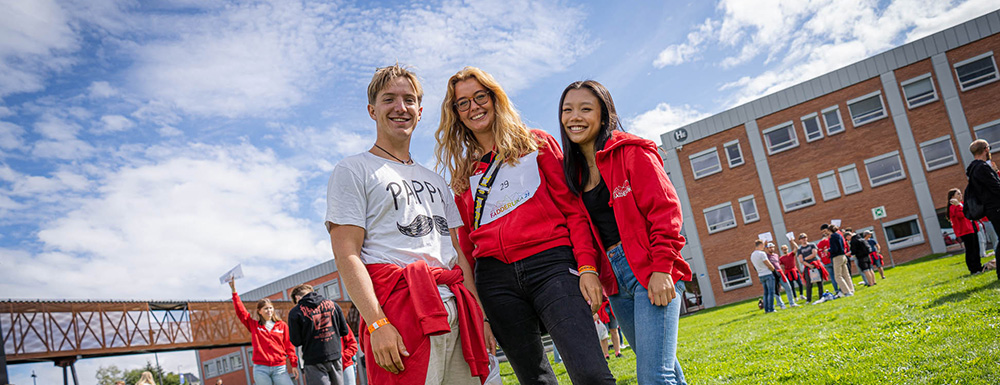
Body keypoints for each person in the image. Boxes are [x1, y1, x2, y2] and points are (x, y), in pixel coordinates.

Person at [436, 68, 615, 385]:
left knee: (591, 374)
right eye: (463, 103)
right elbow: (465, 251)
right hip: (495, 281)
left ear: (495, 98)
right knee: (536, 381)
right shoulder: (463, 178)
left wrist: (587, 266)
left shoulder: (537, 144)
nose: (474, 107)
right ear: (456, 114)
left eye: (480, 97)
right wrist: (482, 314)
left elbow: (574, 211)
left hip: (552, 265)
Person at [325, 65, 489, 385]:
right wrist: (376, 324)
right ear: (372, 110)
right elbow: (347, 255)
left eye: (409, 100)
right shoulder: (353, 170)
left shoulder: (437, 180)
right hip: (401, 310)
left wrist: (479, 315)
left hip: (456, 308)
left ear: (420, 110)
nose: (401, 108)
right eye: (389, 100)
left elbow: (457, 253)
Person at [559, 80, 692, 383]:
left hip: (650, 269)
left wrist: (662, 268)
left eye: (585, 109)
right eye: (567, 110)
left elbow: (666, 211)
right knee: (665, 370)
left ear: (604, 115)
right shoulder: (574, 173)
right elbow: (580, 229)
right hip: (616, 283)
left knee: (653, 377)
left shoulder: (631, 152)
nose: (574, 117)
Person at [229, 281, 299, 385]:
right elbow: (241, 313)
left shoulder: (282, 325)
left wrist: (294, 364)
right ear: (259, 311)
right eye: (266, 308)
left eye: (271, 308)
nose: (269, 310)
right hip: (261, 369)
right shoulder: (254, 326)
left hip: (280, 368)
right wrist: (234, 292)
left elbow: (289, 345)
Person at [288, 284, 352, 385]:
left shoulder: (295, 312)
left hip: (313, 360)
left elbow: (296, 341)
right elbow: (344, 331)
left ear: (297, 297)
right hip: (335, 355)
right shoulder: (333, 305)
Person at [967, 139, 1000, 281]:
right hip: (997, 207)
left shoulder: (973, 169)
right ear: (986, 149)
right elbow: (995, 187)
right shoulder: (982, 168)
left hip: (992, 209)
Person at [949, 188, 983, 274]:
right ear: (952, 197)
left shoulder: (963, 204)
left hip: (972, 228)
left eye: (960, 193)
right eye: (958, 194)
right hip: (966, 231)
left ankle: (978, 266)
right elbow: (961, 215)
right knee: (970, 250)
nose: (961, 195)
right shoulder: (953, 207)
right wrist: (958, 206)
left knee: (976, 248)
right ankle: (973, 268)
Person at [796, 233, 828, 303]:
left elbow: (814, 254)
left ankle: (821, 296)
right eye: (802, 238)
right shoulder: (800, 249)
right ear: (800, 240)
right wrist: (808, 265)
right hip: (808, 267)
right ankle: (808, 299)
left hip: (816, 264)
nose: (804, 239)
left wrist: (805, 258)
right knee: (809, 284)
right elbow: (801, 260)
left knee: (820, 282)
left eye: (805, 237)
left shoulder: (812, 245)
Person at [750, 240, 777, 313]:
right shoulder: (762, 254)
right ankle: (771, 309)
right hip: (768, 273)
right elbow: (768, 264)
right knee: (771, 292)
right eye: (763, 245)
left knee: (765, 293)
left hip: (760, 275)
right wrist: (774, 271)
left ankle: (766, 309)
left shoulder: (752, 255)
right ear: (760, 245)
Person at [816, 227, 839, 295]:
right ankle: (841, 288)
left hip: (825, 262)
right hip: (831, 259)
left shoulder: (819, 244)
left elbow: (819, 254)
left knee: (832, 276)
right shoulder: (828, 241)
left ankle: (836, 289)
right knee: (838, 275)